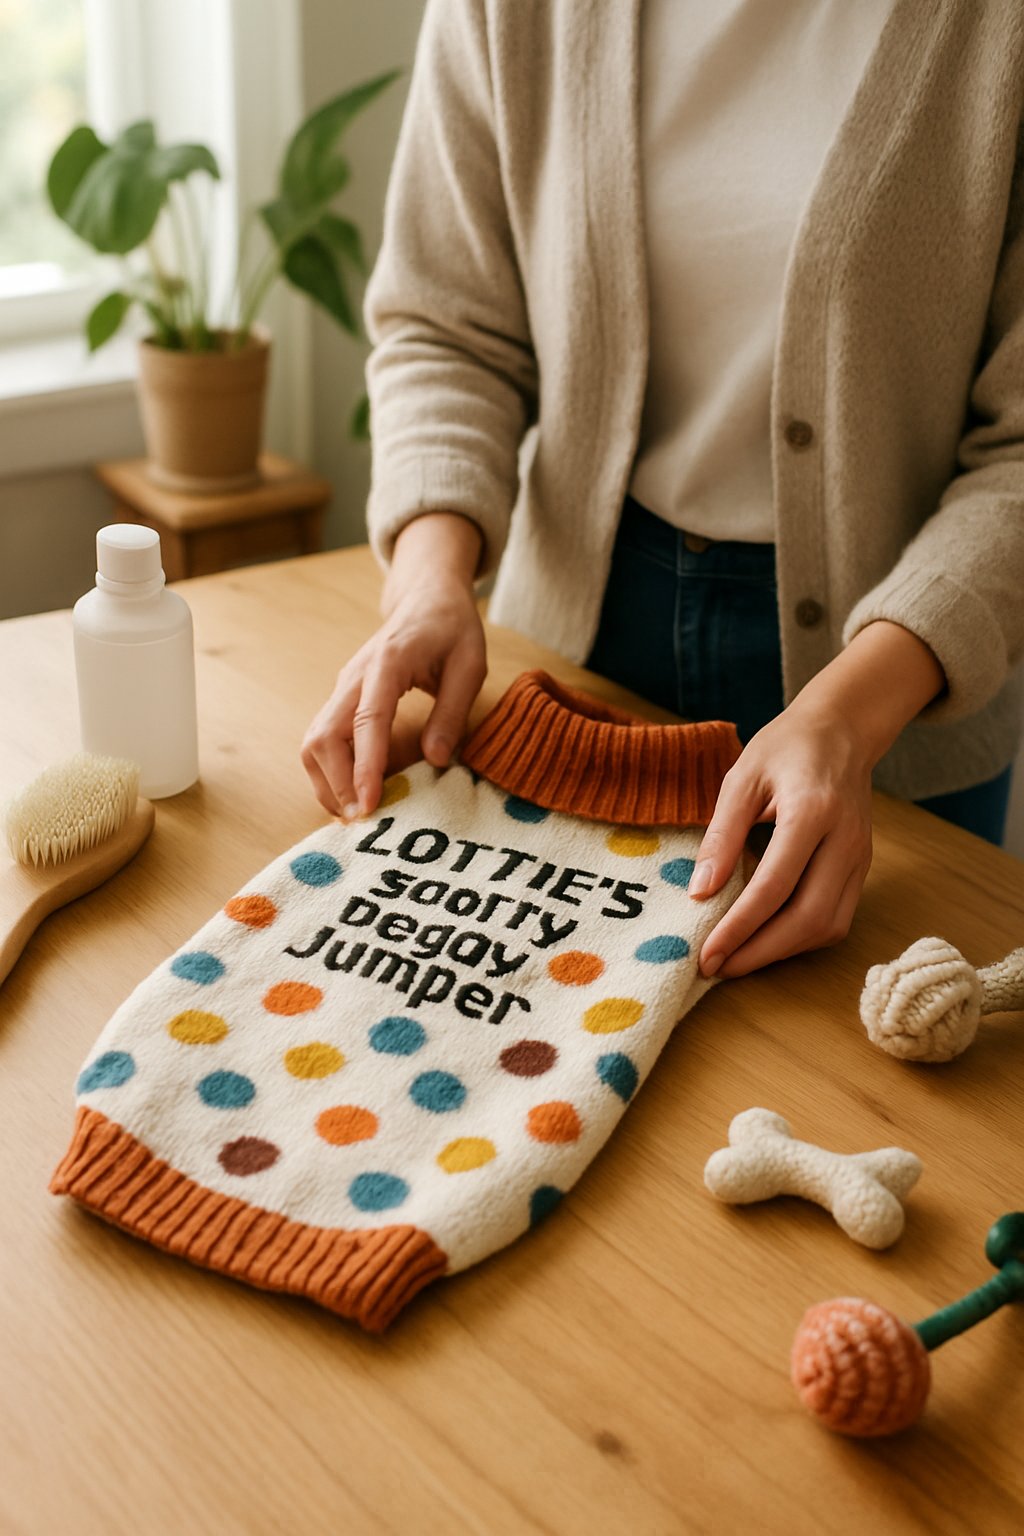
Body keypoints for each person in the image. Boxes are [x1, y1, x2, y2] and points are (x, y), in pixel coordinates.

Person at [301, 0, 1024, 982]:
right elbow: (445, 327)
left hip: (901, 683)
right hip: (580, 644)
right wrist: (429, 582)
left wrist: (851, 717)